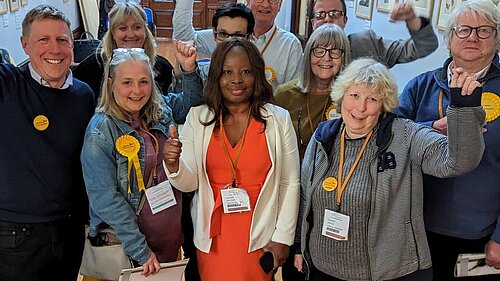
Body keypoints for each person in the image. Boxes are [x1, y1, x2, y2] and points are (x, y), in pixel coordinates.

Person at [295, 58, 486, 281]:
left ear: (384, 104)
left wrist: (464, 107)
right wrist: (300, 245)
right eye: (354, 95)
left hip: (388, 273)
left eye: (372, 99)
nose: (361, 107)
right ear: (341, 96)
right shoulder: (323, 136)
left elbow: (458, 161)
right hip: (322, 269)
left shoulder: (405, 135)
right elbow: (305, 194)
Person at [163, 38, 300, 281]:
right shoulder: (198, 118)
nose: (236, 79)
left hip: (261, 232)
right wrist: (173, 165)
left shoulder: (279, 120)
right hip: (214, 235)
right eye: (227, 72)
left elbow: (290, 182)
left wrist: (282, 239)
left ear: (257, 75)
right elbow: (190, 182)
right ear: (217, 76)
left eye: (245, 71)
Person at [395, 0, 500, 279]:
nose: (473, 37)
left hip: (480, 234)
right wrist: (430, 129)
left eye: (484, 30)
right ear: (449, 40)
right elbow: (390, 139)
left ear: (498, 40)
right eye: (463, 30)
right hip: (417, 227)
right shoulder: (421, 86)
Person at [81, 48, 196, 280]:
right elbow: (105, 199)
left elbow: (194, 102)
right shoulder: (101, 132)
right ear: (110, 83)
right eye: (127, 82)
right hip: (132, 253)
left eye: (144, 81)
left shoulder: (159, 111)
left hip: (169, 243)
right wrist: (141, 251)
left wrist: (189, 70)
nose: (137, 91)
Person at [0, 5, 95, 281]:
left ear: (72, 45)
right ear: (24, 45)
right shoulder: (8, 85)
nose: (54, 49)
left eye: (62, 40)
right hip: (16, 234)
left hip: (70, 229)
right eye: (43, 40)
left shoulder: (83, 95)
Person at [274, 23, 350, 281]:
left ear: (345, 57)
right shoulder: (285, 95)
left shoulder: (350, 98)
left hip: (334, 198)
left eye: (335, 51)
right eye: (319, 50)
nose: (326, 58)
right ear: (308, 54)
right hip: (291, 194)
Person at [173, 0, 303, 90]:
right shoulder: (223, 35)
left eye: (272, 0)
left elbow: (292, 92)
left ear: (280, 4)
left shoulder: (290, 44)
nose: (265, 4)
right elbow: (184, 38)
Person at [74, 1, 174, 104]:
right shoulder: (92, 67)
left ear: (145, 30)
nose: (130, 34)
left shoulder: (162, 67)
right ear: (113, 33)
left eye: (137, 27)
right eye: (123, 28)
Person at [309, 0, 438, 68]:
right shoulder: (305, 57)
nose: (327, 19)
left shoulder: (367, 44)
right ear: (313, 23)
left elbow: (425, 47)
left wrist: (411, 19)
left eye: (334, 14)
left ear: (345, 20)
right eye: (320, 15)